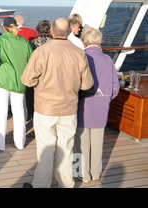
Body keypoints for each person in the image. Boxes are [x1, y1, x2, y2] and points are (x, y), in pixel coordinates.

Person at [21, 18, 94, 188]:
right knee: (66, 149)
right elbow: (87, 85)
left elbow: (27, 80)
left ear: (52, 32)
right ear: (69, 32)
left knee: (45, 149)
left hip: (45, 109)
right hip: (69, 109)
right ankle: (65, 184)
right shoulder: (79, 53)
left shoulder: (41, 52)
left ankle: (41, 185)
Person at [75, 28, 120, 183]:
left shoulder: (81, 57)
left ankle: (82, 174)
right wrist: (106, 98)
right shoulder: (108, 59)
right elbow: (115, 86)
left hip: (83, 103)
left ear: (84, 41)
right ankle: (96, 173)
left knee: (80, 141)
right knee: (97, 140)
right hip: (102, 103)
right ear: (99, 42)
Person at [0, 17, 32, 151]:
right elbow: (31, 61)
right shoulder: (24, 42)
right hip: (19, 80)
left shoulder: (0, 40)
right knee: (19, 111)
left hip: (1, 79)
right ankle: (20, 143)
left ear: (3, 28)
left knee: (1, 111)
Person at [27, 19, 52, 120]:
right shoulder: (54, 43)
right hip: (51, 75)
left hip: (37, 74)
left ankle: (32, 116)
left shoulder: (33, 43)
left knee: (34, 98)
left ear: (38, 30)